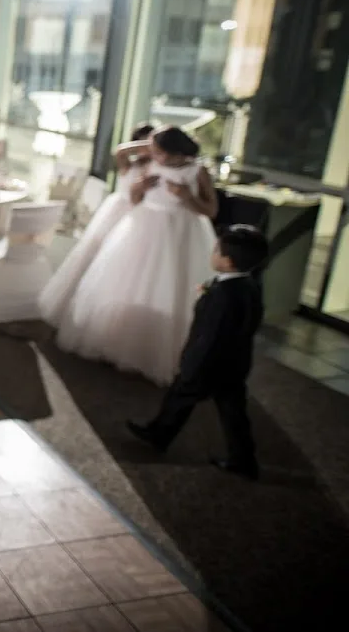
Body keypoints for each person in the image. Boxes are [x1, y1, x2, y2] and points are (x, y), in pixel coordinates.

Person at [55, 126, 218, 385]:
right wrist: (140, 185)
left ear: (176, 152)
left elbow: (211, 210)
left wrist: (187, 197)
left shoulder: (197, 171)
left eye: (159, 151)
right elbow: (134, 199)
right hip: (143, 228)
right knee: (127, 285)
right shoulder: (150, 164)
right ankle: (119, 344)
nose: (154, 155)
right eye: (154, 151)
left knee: (172, 288)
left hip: (180, 233)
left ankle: (165, 352)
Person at [128, 225, 268, 480]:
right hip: (235, 363)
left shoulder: (223, 294)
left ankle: (159, 434)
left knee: (181, 396)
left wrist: (191, 363)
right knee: (233, 411)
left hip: (208, 364)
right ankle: (243, 459)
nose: (212, 253)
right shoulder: (250, 286)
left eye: (216, 250)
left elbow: (209, 336)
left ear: (227, 262)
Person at [39, 123, 156, 325]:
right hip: (116, 214)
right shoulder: (128, 163)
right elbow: (119, 151)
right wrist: (147, 144)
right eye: (144, 141)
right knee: (93, 257)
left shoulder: (157, 167)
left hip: (139, 219)